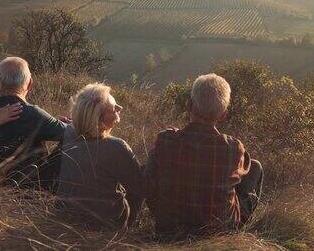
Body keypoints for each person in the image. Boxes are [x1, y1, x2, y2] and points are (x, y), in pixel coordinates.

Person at [145, 73, 263, 237]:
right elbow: (243, 168)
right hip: (219, 232)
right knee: (255, 167)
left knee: (153, 157)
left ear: (189, 105)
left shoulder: (165, 139)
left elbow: (151, 180)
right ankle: (237, 231)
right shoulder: (233, 147)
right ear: (223, 115)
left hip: (169, 229)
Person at [56, 83, 145, 230]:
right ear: (99, 119)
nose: (120, 109)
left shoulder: (69, 133)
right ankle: (130, 227)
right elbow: (141, 188)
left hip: (65, 218)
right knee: (140, 176)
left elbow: (75, 126)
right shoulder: (117, 147)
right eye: (114, 109)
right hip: (106, 225)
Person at [0, 57, 67, 188]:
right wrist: (68, 123)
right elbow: (70, 133)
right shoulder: (32, 113)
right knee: (74, 141)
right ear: (29, 84)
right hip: (29, 187)